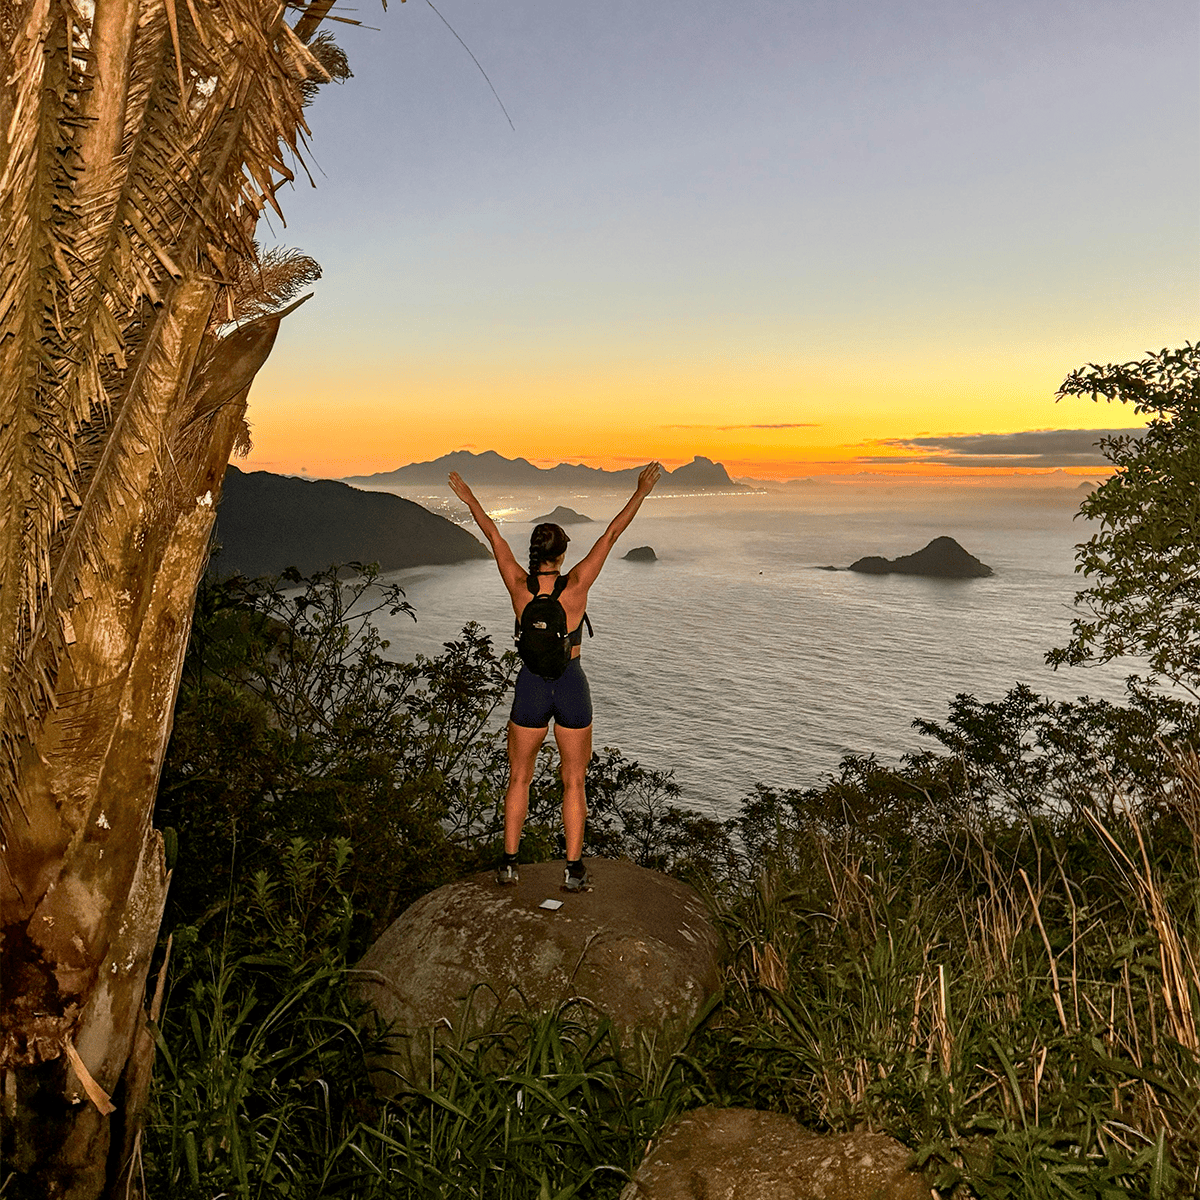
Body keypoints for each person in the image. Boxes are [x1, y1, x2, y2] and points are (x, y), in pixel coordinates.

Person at [448, 462, 662, 891]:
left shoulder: (518, 584)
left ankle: (509, 864)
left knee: (519, 777)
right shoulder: (577, 584)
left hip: (530, 684)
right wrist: (640, 491)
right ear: (562, 555)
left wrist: (469, 499)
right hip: (570, 684)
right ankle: (573, 869)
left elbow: (492, 535)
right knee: (574, 780)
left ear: (533, 552)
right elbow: (611, 535)